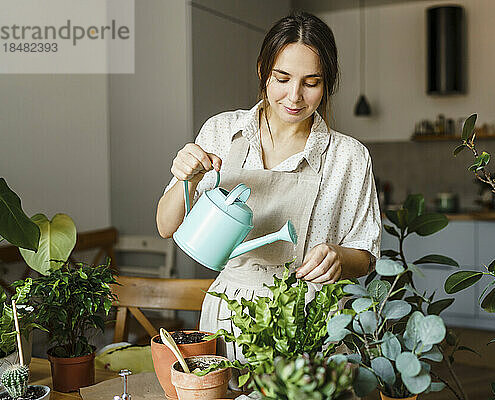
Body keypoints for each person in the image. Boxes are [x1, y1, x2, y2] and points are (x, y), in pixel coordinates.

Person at [156, 12, 381, 362]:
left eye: (311, 82)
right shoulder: (221, 132)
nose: (294, 96)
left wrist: (338, 258)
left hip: (310, 323)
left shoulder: (349, 157)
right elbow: (165, 226)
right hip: (228, 318)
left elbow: (366, 256)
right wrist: (186, 177)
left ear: (327, 83)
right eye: (282, 78)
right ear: (263, 70)